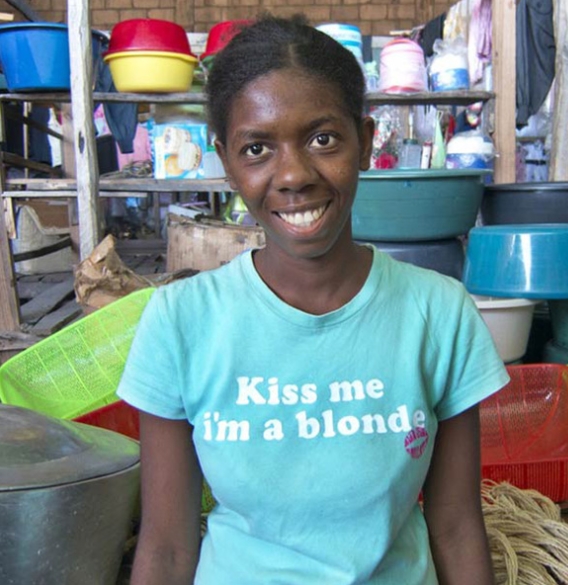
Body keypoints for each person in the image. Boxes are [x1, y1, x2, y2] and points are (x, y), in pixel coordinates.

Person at [117, 13, 510, 585]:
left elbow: (454, 526)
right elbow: (168, 549)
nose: (293, 175)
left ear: (365, 142)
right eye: (257, 148)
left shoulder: (439, 314)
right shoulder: (181, 322)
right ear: (225, 161)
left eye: (322, 139)